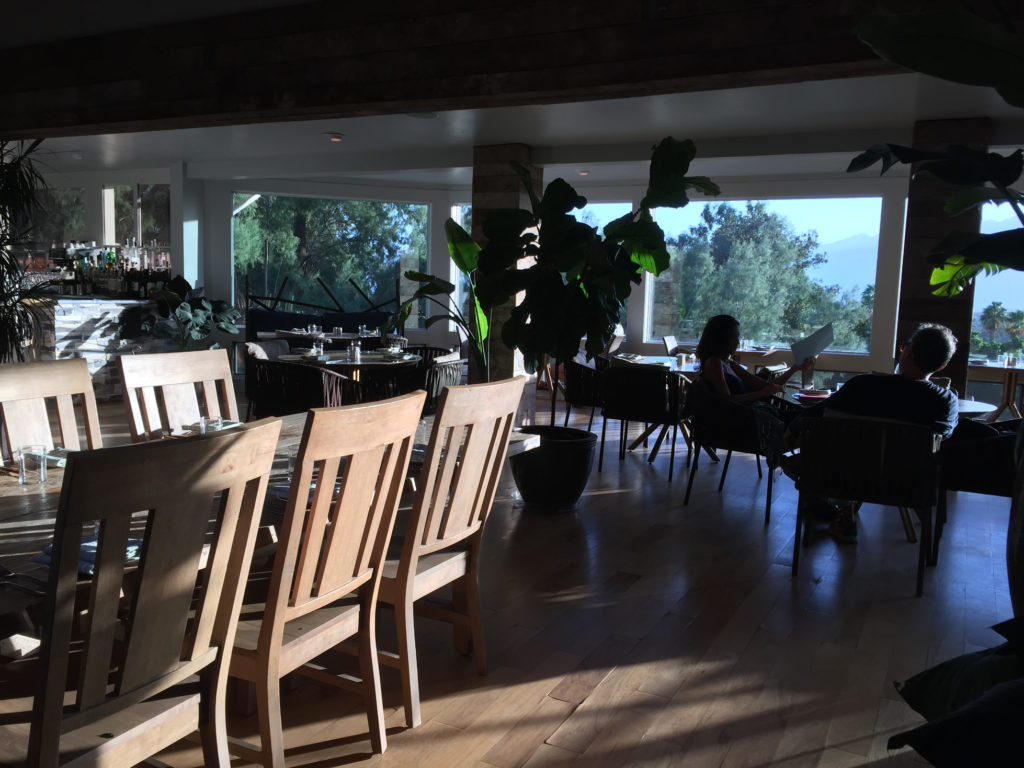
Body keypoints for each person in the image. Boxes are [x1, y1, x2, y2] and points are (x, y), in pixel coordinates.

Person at [784, 322, 959, 542]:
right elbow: (943, 442)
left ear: (909, 351)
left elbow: (812, 418)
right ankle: (842, 515)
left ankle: (843, 514)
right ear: (941, 366)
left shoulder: (862, 386)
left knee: (833, 454)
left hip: (843, 479)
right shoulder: (946, 403)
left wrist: (793, 427)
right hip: (908, 486)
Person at [696, 314, 811, 405]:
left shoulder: (729, 364)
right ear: (721, 338)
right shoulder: (713, 363)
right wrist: (762, 393)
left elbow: (766, 386)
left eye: (738, 336)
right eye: (733, 337)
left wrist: (794, 369)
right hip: (739, 423)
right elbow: (727, 400)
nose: (738, 342)